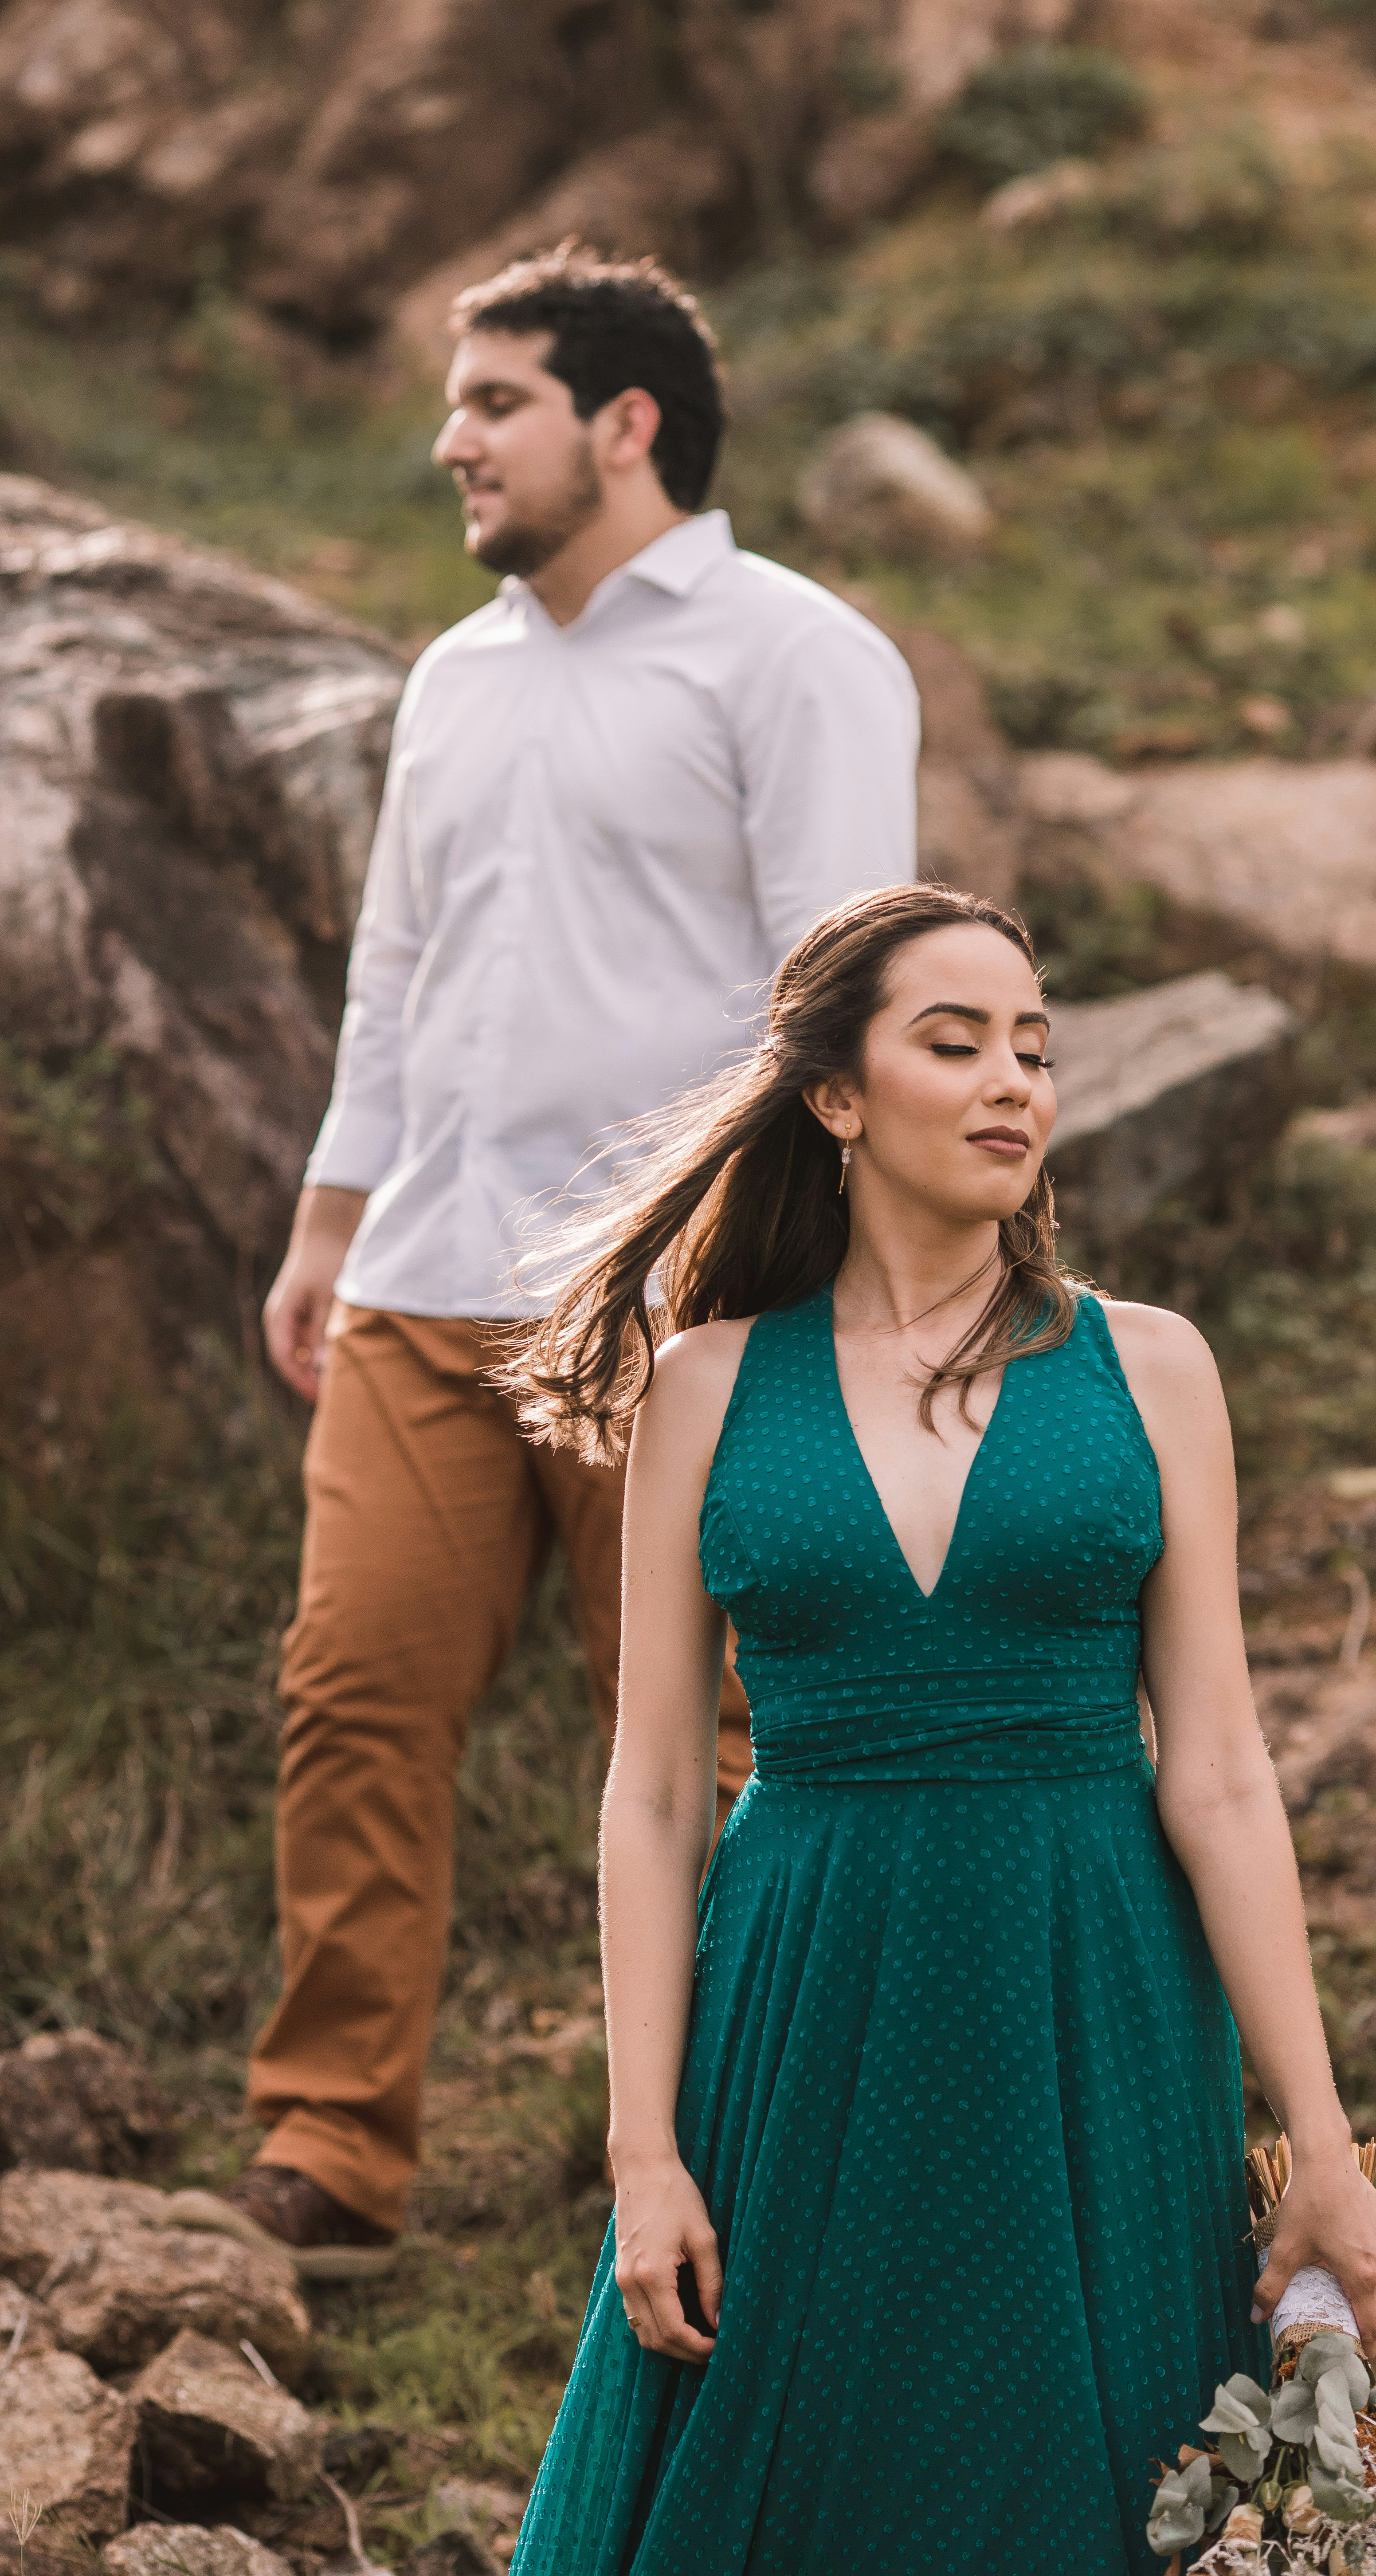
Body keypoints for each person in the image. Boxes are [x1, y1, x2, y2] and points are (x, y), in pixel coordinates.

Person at [499, 882, 1376, 2574]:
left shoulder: (1152, 1369)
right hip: (804, 1993)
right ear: (836, 1095)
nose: (1014, 1084)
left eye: (1036, 1050)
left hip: (1099, 1996)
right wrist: (645, 2157)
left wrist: (1325, 2145)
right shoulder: (705, 1383)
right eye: (956, 1042)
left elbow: (1216, 1771)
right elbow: (654, 1798)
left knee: (1106, 2470)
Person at [169, 249, 919, 2278]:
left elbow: (839, 998)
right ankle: (329, 2153)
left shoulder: (795, 657)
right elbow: (398, 973)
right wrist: (330, 1222)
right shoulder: (454, 676)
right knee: (351, 1694)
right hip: (423, 1285)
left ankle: (718, 2142)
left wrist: (810, 1296)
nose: (450, 442)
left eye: (490, 399)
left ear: (624, 424)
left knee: (696, 1738)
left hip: (678, 1309)